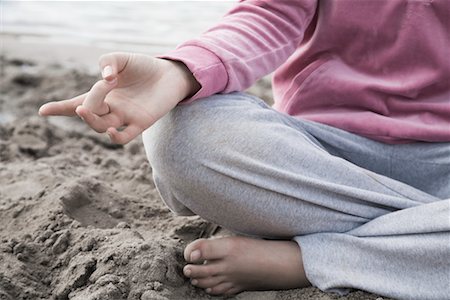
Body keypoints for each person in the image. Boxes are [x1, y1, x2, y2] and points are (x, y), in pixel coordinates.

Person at [39, 0, 450, 299]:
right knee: (179, 128)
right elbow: (271, 12)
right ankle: (417, 240)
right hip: (315, 158)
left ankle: (311, 259)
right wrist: (181, 72)